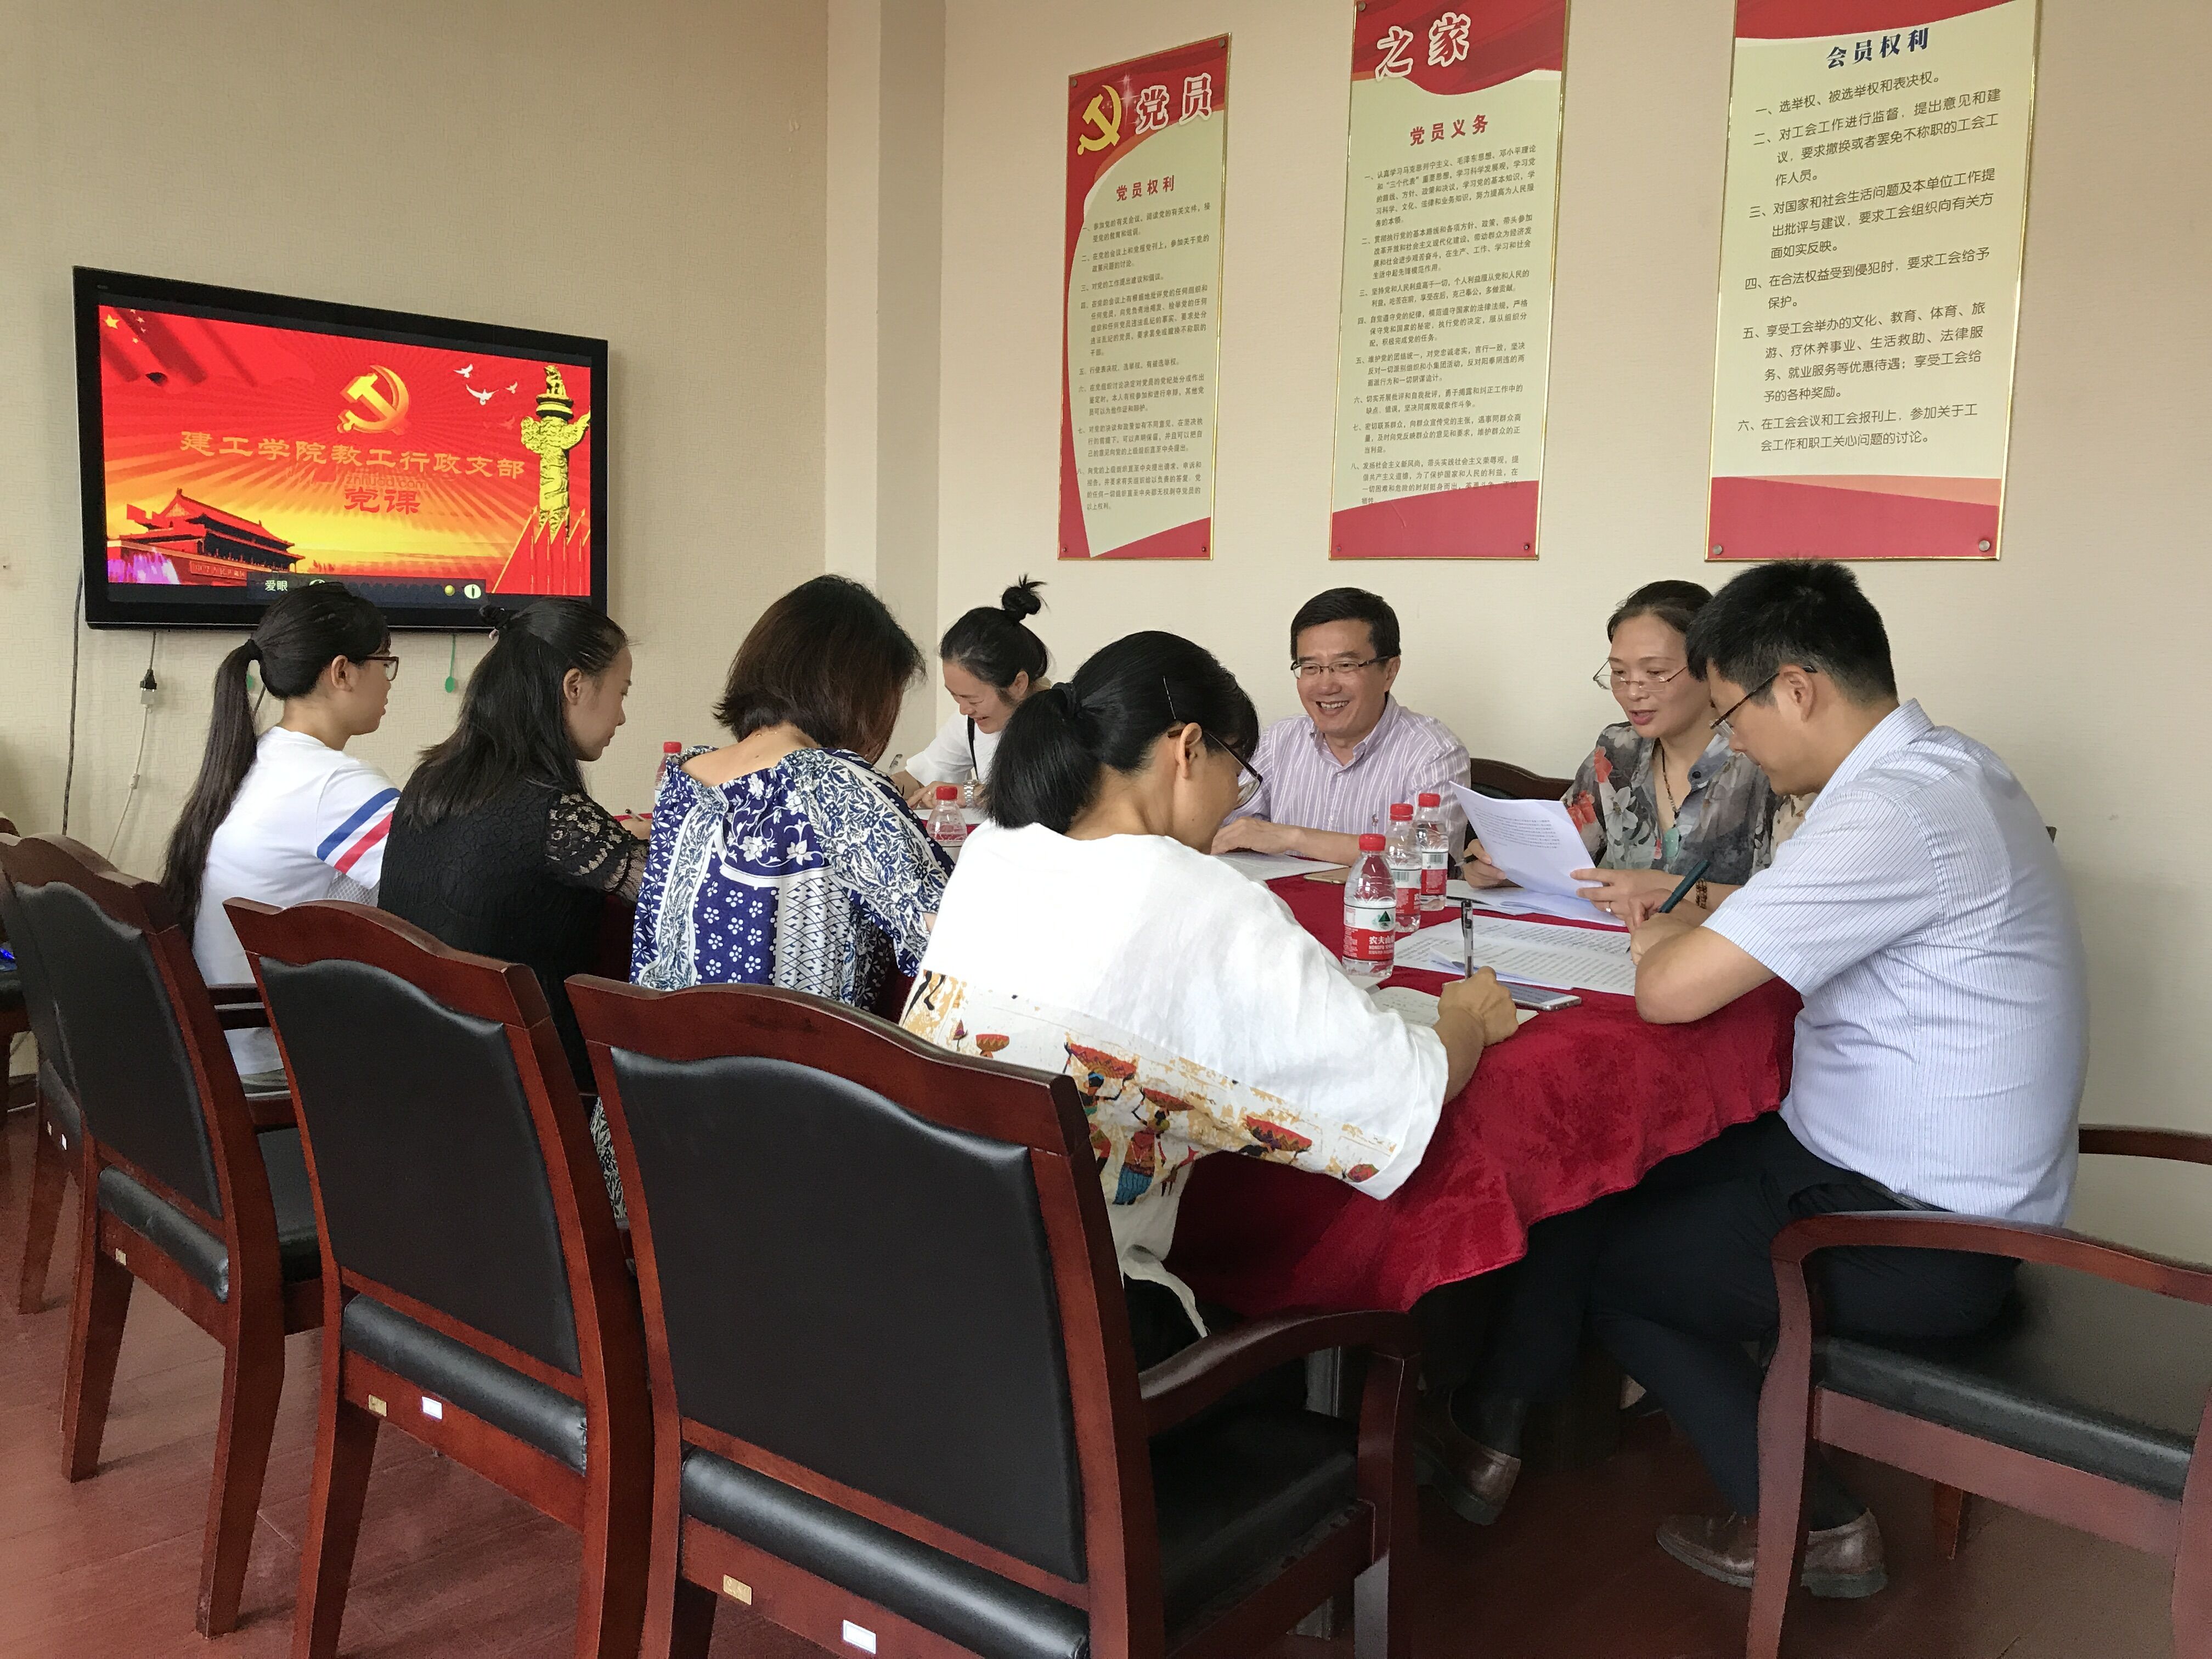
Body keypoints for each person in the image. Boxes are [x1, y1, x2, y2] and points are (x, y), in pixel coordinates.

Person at [1427, 561, 2087, 1599]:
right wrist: (1684, 930)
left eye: (1734, 713)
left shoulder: (1891, 814)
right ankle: (1499, 1417)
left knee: (1621, 1275)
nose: (1734, 741)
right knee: (1600, 1170)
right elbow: (1763, 926)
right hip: (1873, 1160)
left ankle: (1816, 1524)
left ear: (1798, 689)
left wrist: (1658, 939)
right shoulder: (1948, 770)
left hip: (1924, 1229)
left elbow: (1670, 993)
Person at [902, 630, 1520, 1364]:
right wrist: (1465, 1021)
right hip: (1076, 1331)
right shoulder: (1203, 900)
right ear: (1188, 748)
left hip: (919, 1283)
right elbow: (1400, 1091)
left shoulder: (994, 853)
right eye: (1239, 773)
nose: (1235, 798)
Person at [631, 574, 949, 1012]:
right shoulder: (832, 782)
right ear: (858, 693)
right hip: (799, 1053)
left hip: (669, 1049)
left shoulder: (682, 779)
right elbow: (949, 932)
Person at [380, 599, 645, 1092]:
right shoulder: (551, 811)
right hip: (529, 1089)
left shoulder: (429, 782)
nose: (623, 716)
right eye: (621, 692)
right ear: (574, 686)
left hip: (417, 1076)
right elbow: (675, 894)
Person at [160, 584, 399, 1091]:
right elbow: (437, 885)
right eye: (385, 662)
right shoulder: (334, 785)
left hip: (224, 1042)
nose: (389, 681)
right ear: (342, 672)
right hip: (279, 1053)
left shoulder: (262, 757)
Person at [1466, 580, 1793, 920]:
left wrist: (1667, 889)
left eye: (1655, 673)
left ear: (1711, 668)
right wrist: (1503, 868)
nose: (1632, 692)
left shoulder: (1764, 759)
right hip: (1608, 945)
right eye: (1619, 673)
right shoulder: (1617, 750)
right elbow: (1563, 864)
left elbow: (1799, 904)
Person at [1211, 588, 1470, 867]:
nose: (1326, 686)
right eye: (1311, 668)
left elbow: (1426, 858)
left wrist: (1295, 838)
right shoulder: (1278, 741)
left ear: (1389, 671)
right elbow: (1227, 832)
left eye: (1345, 665)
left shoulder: (1435, 752)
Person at [889, 577, 1051, 807]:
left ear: (1018, 684)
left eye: (973, 700)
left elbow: (1043, 796)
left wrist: (970, 793)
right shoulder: (970, 722)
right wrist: (882, 785)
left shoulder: (1062, 723)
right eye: (955, 696)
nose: (964, 710)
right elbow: (919, 777)